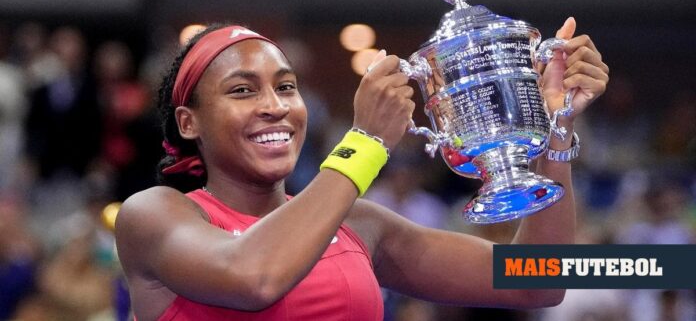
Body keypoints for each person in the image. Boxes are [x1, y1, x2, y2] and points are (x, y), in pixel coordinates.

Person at [115, 18, 609, 320]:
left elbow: (538, 281)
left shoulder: (361, 227)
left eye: (286, 87)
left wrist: (555, 127)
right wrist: (366, 142)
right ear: (188, 121)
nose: (275, 106)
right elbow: (254, 277)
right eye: (243, 91)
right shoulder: (155, 215)